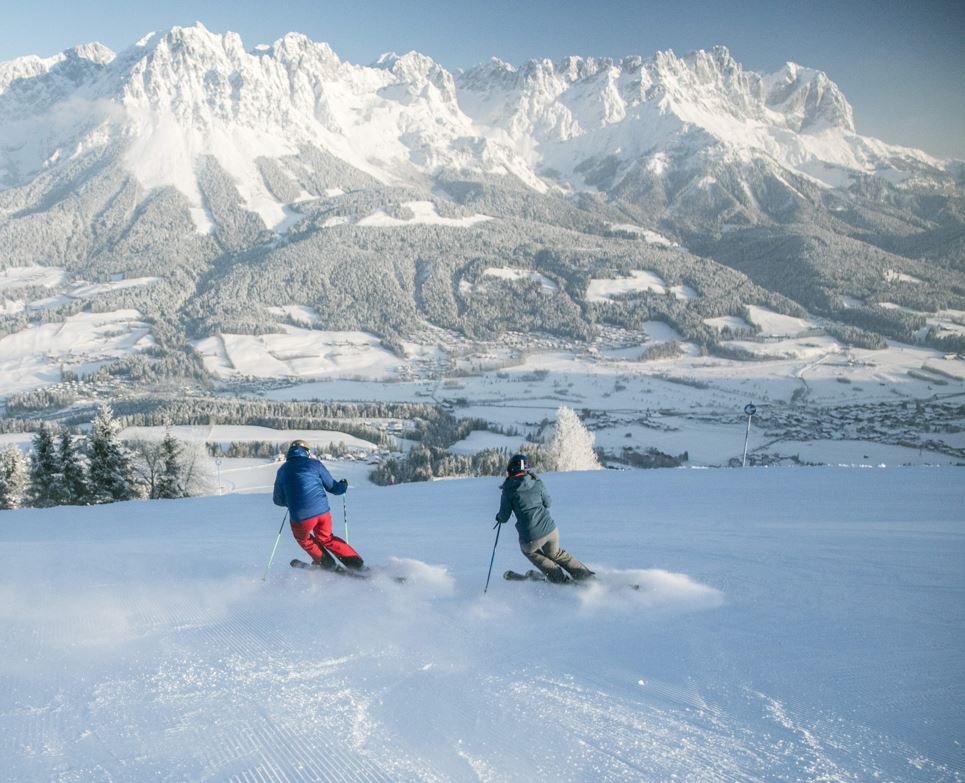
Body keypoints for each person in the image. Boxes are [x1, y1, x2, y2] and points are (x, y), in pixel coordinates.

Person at [495, 453, 594, 583]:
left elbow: (504, 516)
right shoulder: (537, 482)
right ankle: (585, 576)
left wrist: (499, 518)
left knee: (531, 552)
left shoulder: (508, 490)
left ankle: (559, 579)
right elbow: (548, 503)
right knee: (556, 553)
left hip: (531, 538)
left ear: (510, 469)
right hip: (551, 530)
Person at [273, 439, 362, 570]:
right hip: (322, 513)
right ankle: (356, 564)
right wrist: (343, 486)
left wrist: (291, 501)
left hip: (300, 517)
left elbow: (277, 500)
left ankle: (327, 564)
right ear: (306, 452)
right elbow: (333, 487)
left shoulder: (282, 470)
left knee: (304, 540)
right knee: (327, 538)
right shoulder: (315, 464)